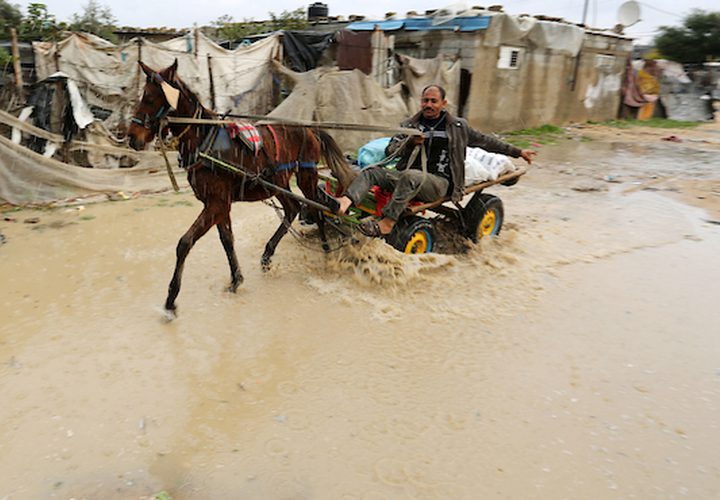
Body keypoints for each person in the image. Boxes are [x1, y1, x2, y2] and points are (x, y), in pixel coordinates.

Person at [336, 84, 536, 237]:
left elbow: (486, 142)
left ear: (443, 103)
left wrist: (518, 152)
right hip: (408, 178)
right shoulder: (409, 125)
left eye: (433, 101)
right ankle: (344, 203)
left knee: (410, 176)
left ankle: (387, 223)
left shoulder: (457, 126)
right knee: (372, 172)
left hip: (440, 182)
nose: (428, 105)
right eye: (425, 101)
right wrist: (409, 142)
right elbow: (391, 149)